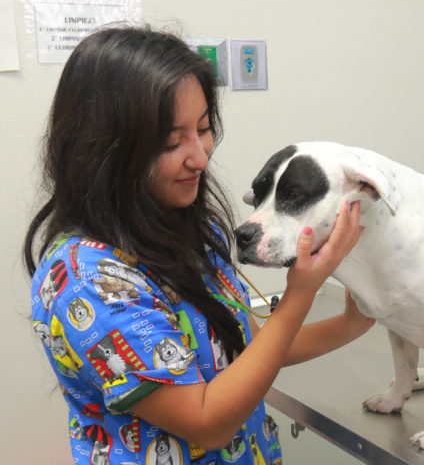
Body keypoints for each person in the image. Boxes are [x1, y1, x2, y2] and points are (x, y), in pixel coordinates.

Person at [24, 25, 373, 465]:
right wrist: (301, 294)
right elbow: (209, 420)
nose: (200, 157)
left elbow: (244, 347)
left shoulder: (185, 232)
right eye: (172, 141)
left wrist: (352, 322)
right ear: (104, 151)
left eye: (205, 128)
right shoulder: (88, 281)